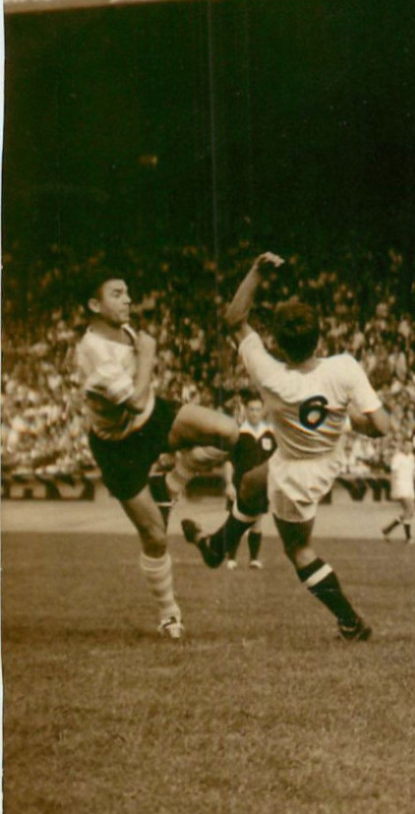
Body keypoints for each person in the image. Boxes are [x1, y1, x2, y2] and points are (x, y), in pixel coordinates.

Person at [180, 252, 390, 641]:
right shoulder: (344, 367)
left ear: (276, 341)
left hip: (295, 472)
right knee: (250, 483)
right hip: (318, 460)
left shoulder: (269, 373)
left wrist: (257, 272)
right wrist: (349, 420)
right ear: (319, 336)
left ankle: (350, 622)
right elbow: (381, 424)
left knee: (299, 551)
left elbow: (234, 321)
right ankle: (216, 546)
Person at [74, 270, 239, 638]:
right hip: (118, 447)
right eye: (117, 293)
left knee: (228, 432)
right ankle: (169, 614)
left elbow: (141, 401)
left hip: (153, 417)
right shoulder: (91, 352)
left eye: (127, 292)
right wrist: (147, 354)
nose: (128, 299)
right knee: (154, 536)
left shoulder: (125, 331)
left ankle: (171, 484)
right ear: (93, 305)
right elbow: (131, 402)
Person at [222, 394, 276, 570]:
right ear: (246, 410)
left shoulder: (269, 434)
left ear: (262, 411)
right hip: (240, 484)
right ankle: (231, 558)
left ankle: (254, 558)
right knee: (235, 521)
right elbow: (229, 461)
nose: (254, 413)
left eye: (258, 409)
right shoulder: (238, 433)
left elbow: (275, 462)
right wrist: (229, 483)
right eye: (251, 409)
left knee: (257, 522)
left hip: (261, 487)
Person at [380, 438, 415, 544]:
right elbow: (393, 474)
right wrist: (393, 488)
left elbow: (413, 471)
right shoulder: (397, 457)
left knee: (409, 512)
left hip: (410, 487)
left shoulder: (412, 457)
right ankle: (407, 537)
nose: (408, 448)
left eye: (410, 446)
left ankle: (388, 530)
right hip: (400, 485)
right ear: (403, 446)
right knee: (409, 510)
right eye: (406, 445)